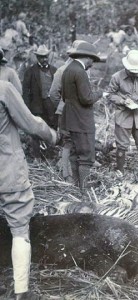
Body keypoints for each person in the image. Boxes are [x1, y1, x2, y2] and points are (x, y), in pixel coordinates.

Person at [0, 80, 58, 300]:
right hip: (7, 169)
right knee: (19, 229)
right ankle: (21, 292)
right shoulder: (3, 89)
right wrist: (52, 135)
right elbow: (31, 125)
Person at [60, 41, 103, 190]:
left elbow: (64, 95)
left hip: (70, 118)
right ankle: (84, 189)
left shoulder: (68, 69)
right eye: (93, 59)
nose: (93, 63)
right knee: (85, 155)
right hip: (82, 120)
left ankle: (77, 184)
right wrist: (101, 93)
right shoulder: (80, 72)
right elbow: (87, 99)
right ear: (87, 57)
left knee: (74, 153)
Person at [106, 49, 138, 178]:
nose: (134, 73)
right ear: (126, 67)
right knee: (121, 147)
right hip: (123, 115)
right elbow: (110, 94)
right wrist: (122, 101)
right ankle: (120, 171)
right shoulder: (117, 77)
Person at [49, 40, 85, 183]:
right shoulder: (62, 70)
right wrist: (63, 107)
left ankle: (75, 174)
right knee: (68, 143)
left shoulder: (81, 70)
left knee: (76, 143)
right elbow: (53, 93)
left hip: (79, 114)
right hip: (67, 113)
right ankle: (67, 175)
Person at [22, 45, 57, 162]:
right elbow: (25, 92)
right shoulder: (30, 71)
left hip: (51, 106)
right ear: (37, 57)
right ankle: (37, 157)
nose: (44, 59)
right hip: (36, 107)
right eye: (41, 57)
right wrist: (26, 109)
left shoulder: (54, 70)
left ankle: (49, 155)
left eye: (46, 57)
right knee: (36, 132)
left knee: (51, 129)